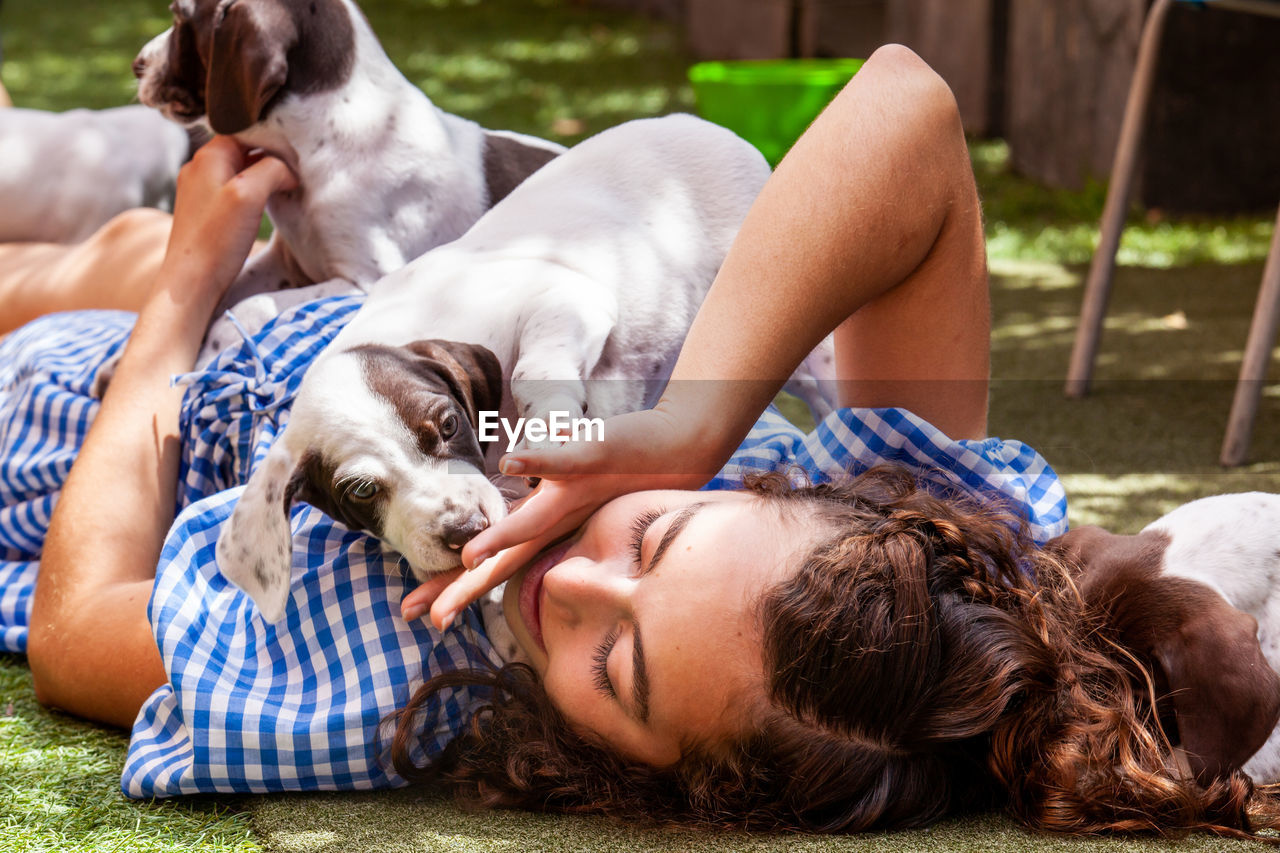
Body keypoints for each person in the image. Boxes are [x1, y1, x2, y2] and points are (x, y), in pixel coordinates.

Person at [2, 44, 1271, 838]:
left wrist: (177, 299)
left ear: (642, 783)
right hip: (312, 312)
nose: (573, 589)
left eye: (619, 672)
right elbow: (907, 112)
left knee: (97, 277)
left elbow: (76, 625)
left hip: (95, 408)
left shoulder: (369, 690)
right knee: (94, 251)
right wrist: (686, 423)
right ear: (786, 483)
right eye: (656, 531)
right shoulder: (880, 533)